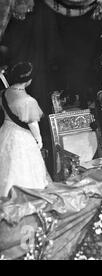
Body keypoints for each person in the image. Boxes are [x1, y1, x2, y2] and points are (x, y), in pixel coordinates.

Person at [0, 62, 49, 197]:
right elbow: (33, 124)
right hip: (21, 137)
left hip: (5, 132)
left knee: (6, 167)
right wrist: (38, 139)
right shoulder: (28, 100)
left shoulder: (4, 93)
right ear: (28, 81)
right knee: (24, 169)